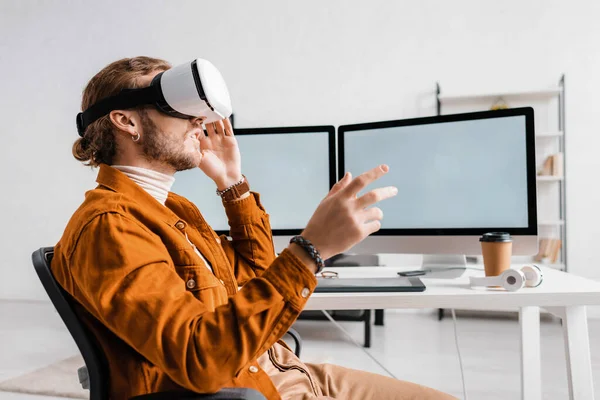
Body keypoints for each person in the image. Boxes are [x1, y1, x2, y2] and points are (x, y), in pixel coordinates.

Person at [51, 56, 456, 400]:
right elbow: (200, 359)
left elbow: (253, 274)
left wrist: (232, 185)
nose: (199, 121)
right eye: (178, 107)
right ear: (125, 121)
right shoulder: (110, 228)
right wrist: (310, 250)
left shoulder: (170, 209)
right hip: (254, 389)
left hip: (285, 370)